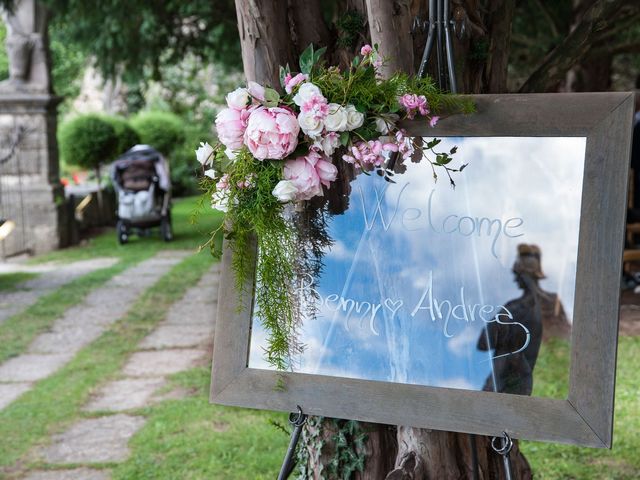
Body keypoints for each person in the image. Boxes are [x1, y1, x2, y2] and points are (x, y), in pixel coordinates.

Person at [478, 244, 568, 395]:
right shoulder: (512, 308)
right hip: (501, 385)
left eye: (518, 273)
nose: (514, 278)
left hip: (526, 383)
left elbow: (563, 341)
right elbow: (483, 343)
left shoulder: (550, 303)